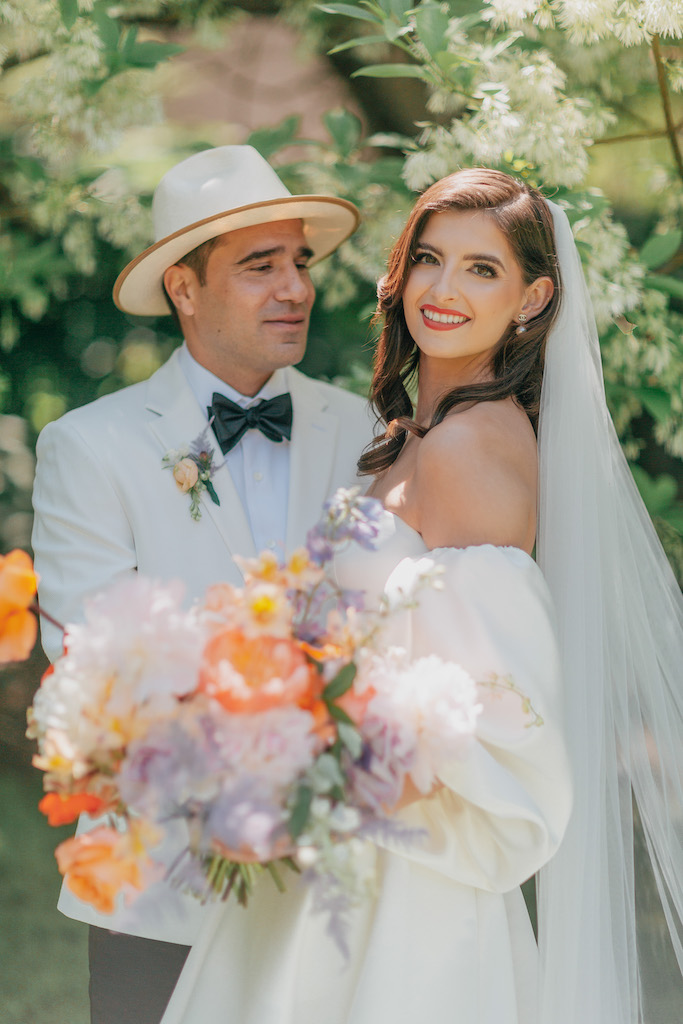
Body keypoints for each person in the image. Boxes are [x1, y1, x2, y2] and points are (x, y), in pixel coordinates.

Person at [157, 168, 683, 1024]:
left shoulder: (470, 452)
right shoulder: (414, 436)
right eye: (430, 258)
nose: (442, 290)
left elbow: (495, 721)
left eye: (482, 270)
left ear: (532, 297)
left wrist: (305, 774)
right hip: (337, 854)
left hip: (404, 896)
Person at [30, 144, 374, 1024]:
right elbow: (92, 659)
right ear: (184, 289)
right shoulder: (89, 445)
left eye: (299, 261)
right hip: (161, 883)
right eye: (259, 266)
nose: (294, 286)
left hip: (340, 881)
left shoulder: (363, 427)